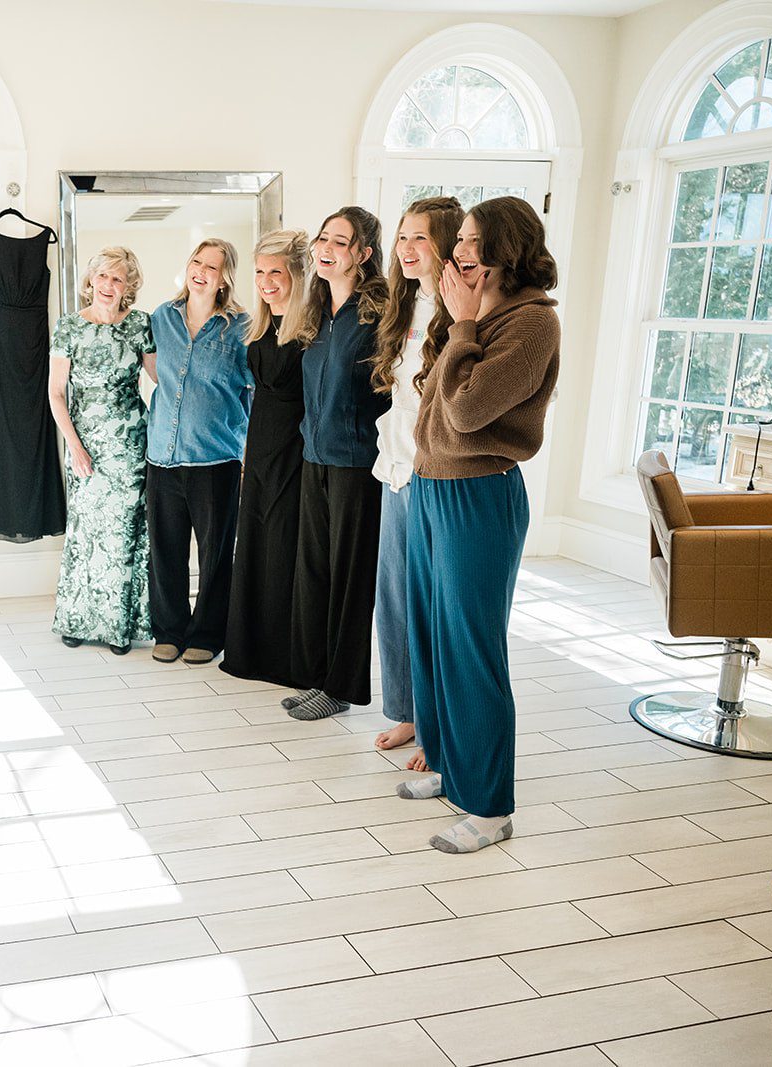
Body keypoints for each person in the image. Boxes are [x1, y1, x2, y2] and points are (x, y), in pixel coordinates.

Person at [394, 196, 561, 854]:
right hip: (432, 487)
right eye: (458, 240)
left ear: (503, 248)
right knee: (432, 636)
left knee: (472, 649)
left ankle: (491, 808)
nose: (457, 251)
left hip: (480, 496)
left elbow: (466, 415)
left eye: (469, 240)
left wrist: (462, 323)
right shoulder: (477, 312)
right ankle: (447, 767)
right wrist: (460, 319)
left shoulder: (532, 324)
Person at [284, 207, 390, 721]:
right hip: (315, 456)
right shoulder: (319, 310)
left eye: (340, 242)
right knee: (315, 572)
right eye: (323, 238)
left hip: (357, 464)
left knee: (350, 580)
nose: (326, 248)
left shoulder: (379, 316)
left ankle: (342, 687)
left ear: (364, 255)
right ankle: (317, 677)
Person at [368, 196, 462, 769]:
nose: (406, 248)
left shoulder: (459, 311)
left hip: (435, 472)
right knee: (395, 599)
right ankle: (407, 710)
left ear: (446, 244)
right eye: (402, 237)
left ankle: (436, 723)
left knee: (431, 604)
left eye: (419, 238)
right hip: (395, 468)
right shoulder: (403, 309)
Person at [144, 239, 251, 665]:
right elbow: (158, 373)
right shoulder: (160, 318)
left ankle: (207, 633)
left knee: (215, 556)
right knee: (164, 552)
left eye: (212, 266)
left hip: (216, 460)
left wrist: (248, 453)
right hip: (162, 458)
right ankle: (168, 630)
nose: (201, 271)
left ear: (225, 277)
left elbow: (254, 392)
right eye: (196, 261)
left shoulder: (241, 327)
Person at [49, 247, 153, 655]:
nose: (109, 286)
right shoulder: (69, 328)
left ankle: (118, 626)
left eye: (118, 279)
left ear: (128, 286)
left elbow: (163, 378)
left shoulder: (141, 325)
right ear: (90, 280)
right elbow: (57, 394)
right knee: (87, 534)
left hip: (129, 443)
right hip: (84, 443)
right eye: (103, 277)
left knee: (124, 533)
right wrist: (75, 448)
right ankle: (77, 619)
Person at [221, 230, 310, 685]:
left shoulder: (311, 327)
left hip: (295, 449)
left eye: (276, 271)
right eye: (259, 271)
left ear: (297, 274)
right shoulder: (259, 325)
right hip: (257, 447)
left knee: (283, 550)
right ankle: (248, 652)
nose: (266, 281)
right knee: (253, 546)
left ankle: (282, 659)